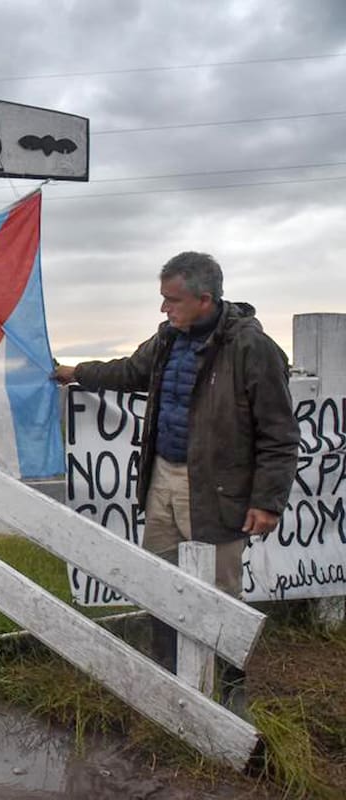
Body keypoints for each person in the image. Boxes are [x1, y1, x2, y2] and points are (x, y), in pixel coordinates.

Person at [53, 252, 298, 698]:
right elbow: (130, 372)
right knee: (160, 577)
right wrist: (77, 373)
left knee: (219, 590)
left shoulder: (251, 348)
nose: (164, 309)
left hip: (218, 489)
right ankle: (167, 677)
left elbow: (279, 432)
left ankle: (227, 691)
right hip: (164, 476)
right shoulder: (168, 338)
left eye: (172, 300)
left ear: (205, 300)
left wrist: (267, 501)